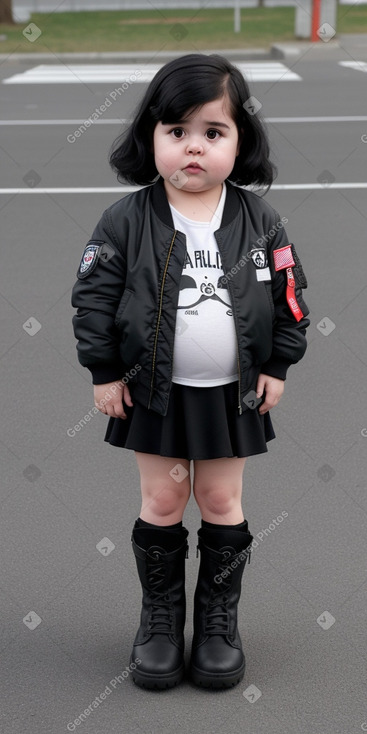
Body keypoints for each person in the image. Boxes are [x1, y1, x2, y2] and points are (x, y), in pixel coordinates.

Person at [71, 53, 310, 691]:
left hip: (231, 396)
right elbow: (93, 299)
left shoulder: (261, 221)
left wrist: (280, 362)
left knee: (221, 500)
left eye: (213, 132)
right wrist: (104, 371)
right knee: (164, 498)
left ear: (241, 140)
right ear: (151, 138)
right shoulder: (126, 218)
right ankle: (159, 621)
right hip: (154, 392)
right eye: (176, 133)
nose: (193, 149)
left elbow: (290, 295)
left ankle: (216, 624)